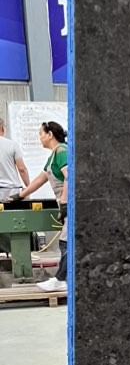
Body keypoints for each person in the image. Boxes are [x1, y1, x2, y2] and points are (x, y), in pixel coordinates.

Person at [11, 121, 69, 293]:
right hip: (68, 204)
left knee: (66, 243)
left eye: (41, 134)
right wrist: (19, 196)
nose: (40, 138)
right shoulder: (53, 156)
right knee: (67, 242)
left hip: (73, 204)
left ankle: (61, 280)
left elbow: (69, 176)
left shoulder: (62, 151)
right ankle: (64, 279)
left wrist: (64, 203)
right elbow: (40, 179)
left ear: (50, 134)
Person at [0, 116, 30, 201]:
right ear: (2, 128)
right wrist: (28, 187)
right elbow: (22, 169)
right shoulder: (12, 145)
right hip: (12, 190)